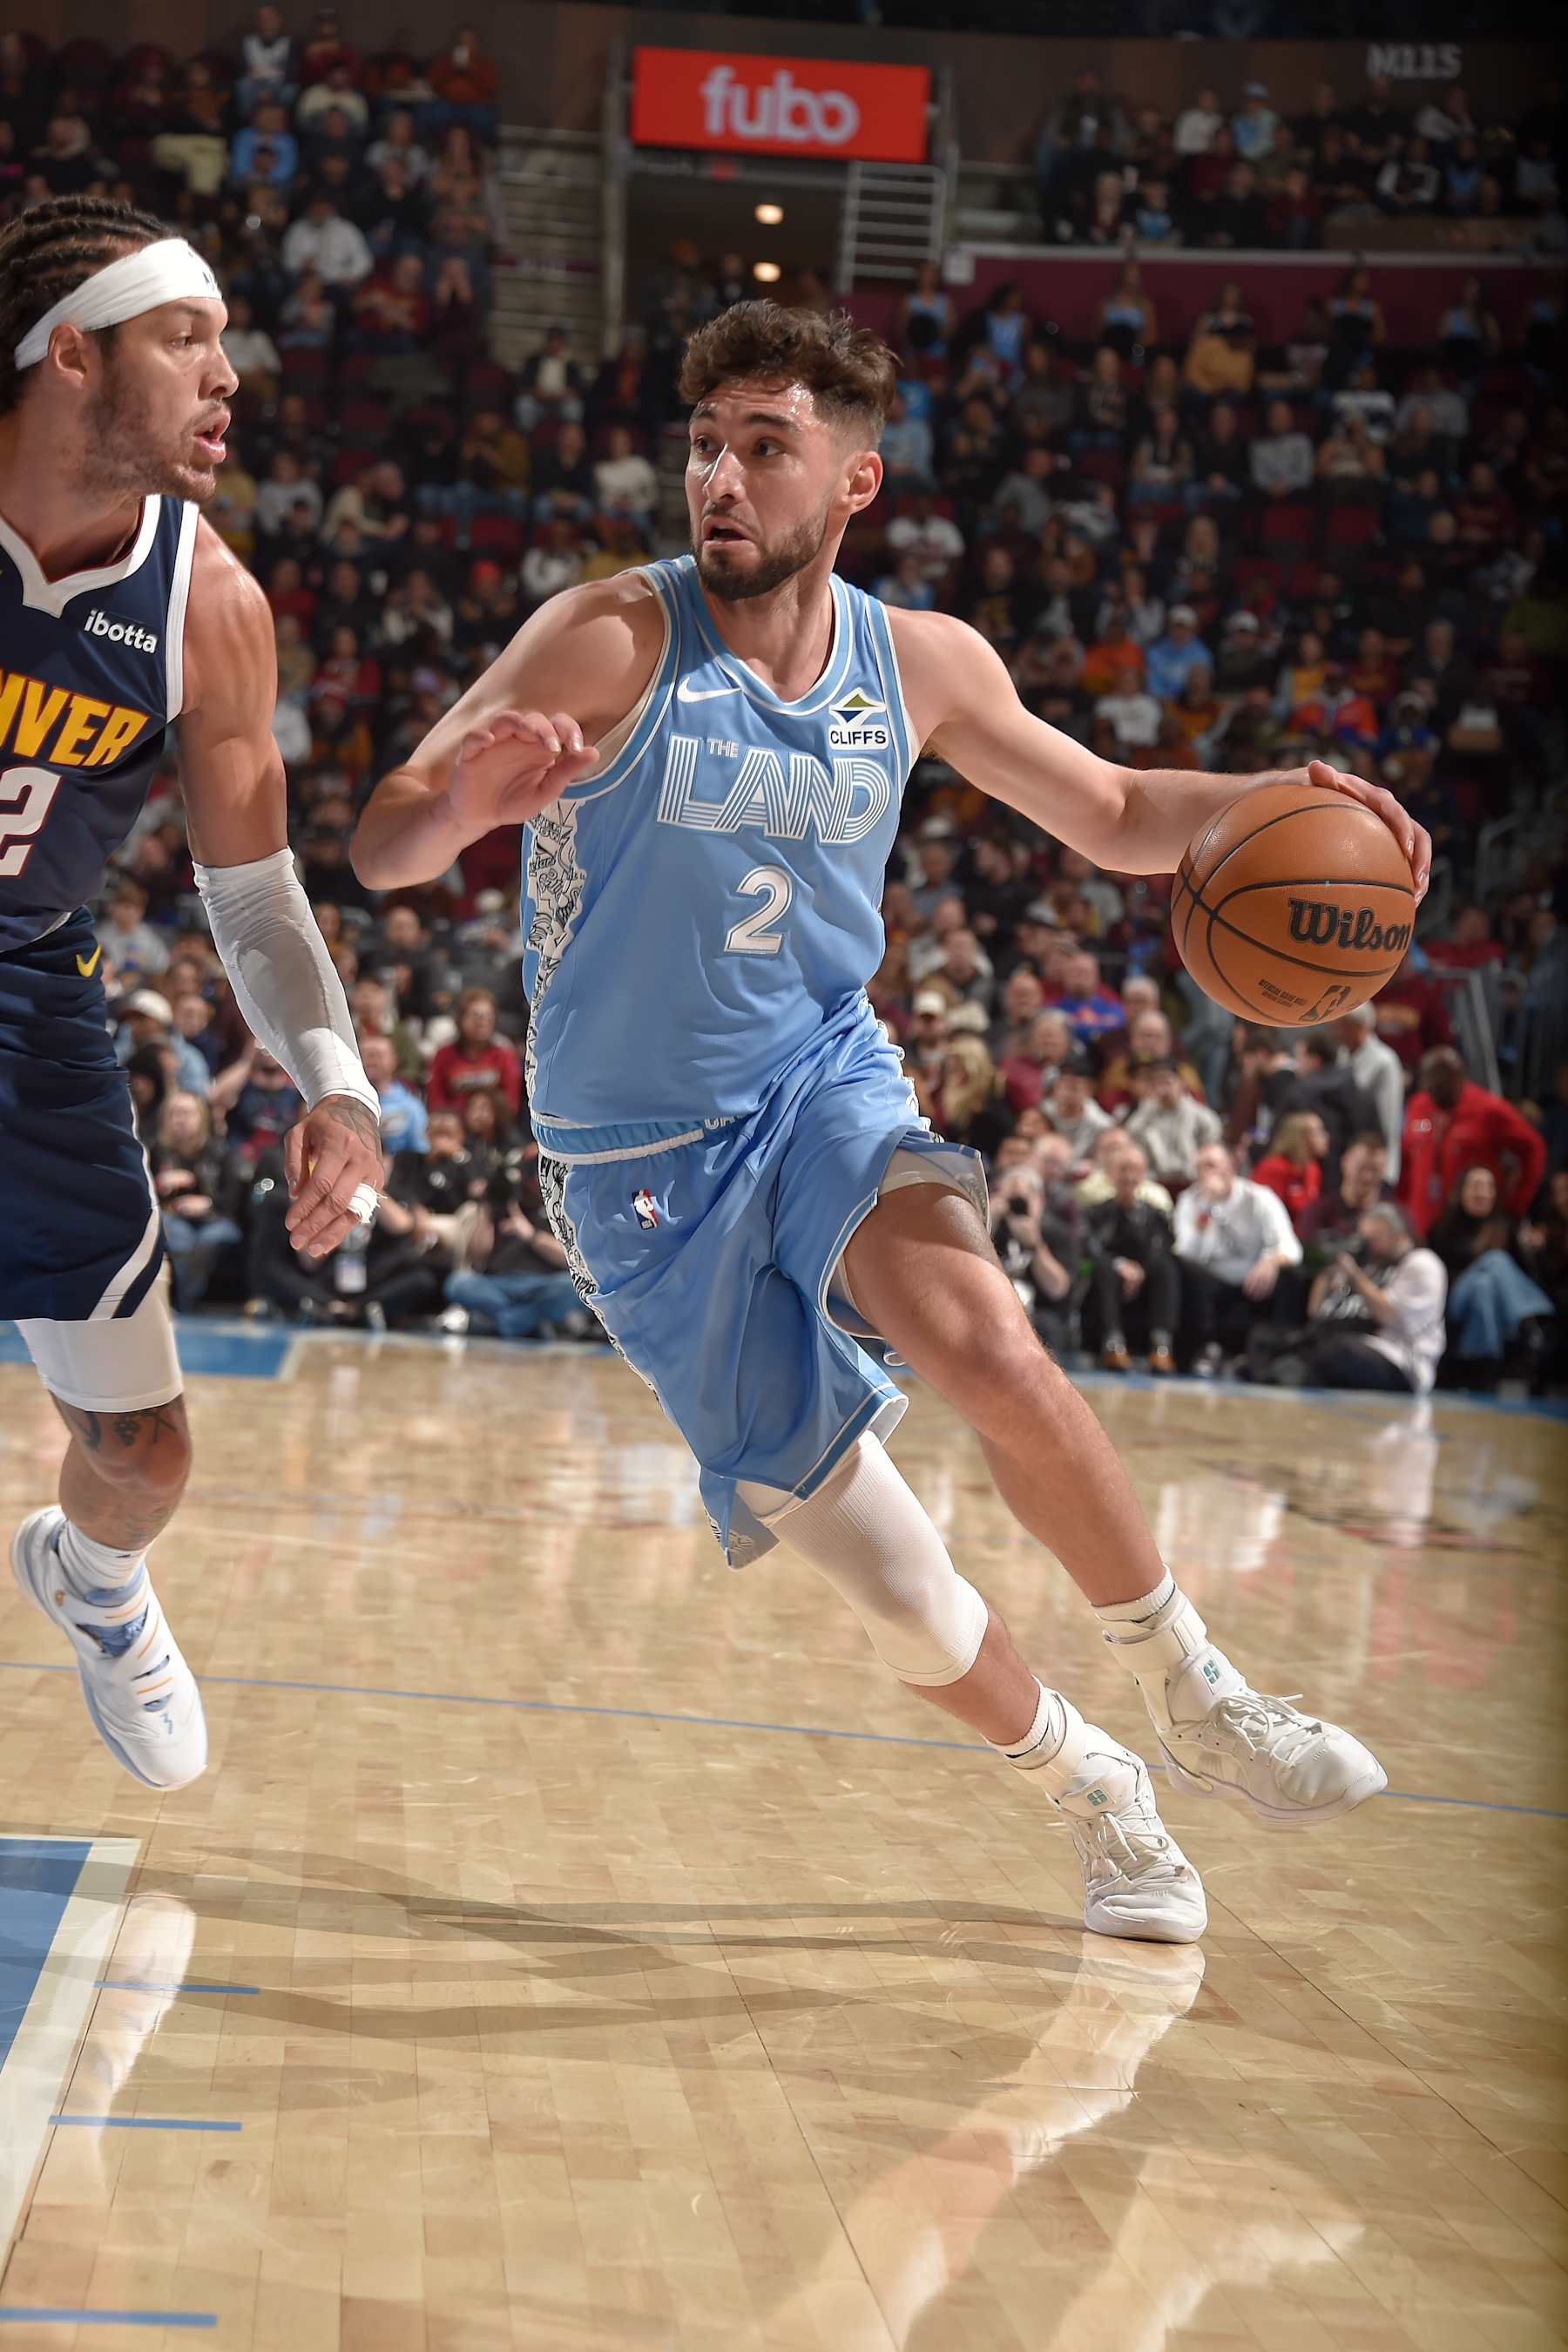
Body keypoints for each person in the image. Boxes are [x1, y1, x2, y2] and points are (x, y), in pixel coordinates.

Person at [352, 300, 1428, 1943]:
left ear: (852, 480)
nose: (721, 475)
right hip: (632, 1170)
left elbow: (1126, 813)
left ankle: (1197, 1690)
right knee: (904, 1585)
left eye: (763, 446)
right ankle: (1092, 1785)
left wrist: (1295, 803)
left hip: (819, 1086)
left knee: (984, 1336)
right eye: (705, 442)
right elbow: (382, 847)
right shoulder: (607, 639)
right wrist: (459, 806)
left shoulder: (920, 662)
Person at [0, 197, 381, 1795]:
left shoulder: (208, 608)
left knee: (144, 1455)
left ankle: (90, 1580)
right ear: (70, 352)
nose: (231, 375)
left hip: (24, 998)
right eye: (189, 340)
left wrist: (337, 1080)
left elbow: (249, 890)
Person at [1173, 1143, 1301, 1376]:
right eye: (1201, 1168)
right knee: (1183, 1269)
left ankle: (1270, 1358)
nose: (1207, 1173)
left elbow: (1291, 1247)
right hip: (1211, 1280)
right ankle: (1206, 1349)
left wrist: (1271, 1262)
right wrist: (1205, 1210)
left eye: (1212, 1165)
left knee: (1289, 1276)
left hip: (1255, 1279)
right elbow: (1186, 1253)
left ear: (1230, 1167)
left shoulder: (1258, 1197)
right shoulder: (1190, 1201)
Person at [1296, 1204, 1447, 1395]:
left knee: (1335, 1353)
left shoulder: (1422, 1264)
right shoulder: (1370, 1267)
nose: (1368, 1246)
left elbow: (1389, 1314)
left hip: (1402, 1360)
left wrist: (1355, 1276)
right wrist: (1326, 1275)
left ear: (1397, 1234)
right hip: (1360, 1344)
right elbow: (1316, 1313)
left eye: (1374, 1239)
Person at [1399, 1046, 1546, 1240]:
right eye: (1431, 1085)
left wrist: (1516, 1204)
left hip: (1470, 1231)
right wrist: (1402, 1208)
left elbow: (1534, 1147)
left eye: (1442, 1084)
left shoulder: (1488, 1109)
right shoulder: (1418, 1104)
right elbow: (1406, 1159)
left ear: (1460, 1078)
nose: (1435, 1092)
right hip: (1421, 1224)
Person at [1428, 1164, 1554, 1389]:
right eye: (1476, 1186)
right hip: (1453, 1301)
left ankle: (1480, 1366)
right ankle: (1533, 1321)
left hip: (1488, 1306)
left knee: (1484, 1286)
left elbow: (1521, 1276)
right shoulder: (1442, 1228)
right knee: (1495, 1259)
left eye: (1489, 1187)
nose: (1482, 1193)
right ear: (1461, 1191)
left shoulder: (1506, 1227)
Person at [1083, 1141, 1180, 1375]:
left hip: (1146, 1276)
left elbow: (1162, 1247)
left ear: (1144, 1174)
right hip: (1109, 1275)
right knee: (1102, 1266)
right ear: (1111, 1173)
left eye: (1135, 1169)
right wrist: (1120, 1265)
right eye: (1123, 1169)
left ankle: (1162, 1345)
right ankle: (1112, 1343)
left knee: (1166, 1266)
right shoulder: (1095, 1212)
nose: (1128, 1176)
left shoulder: (1156, 1214)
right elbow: (1091, 1246)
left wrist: (1141, 1270)